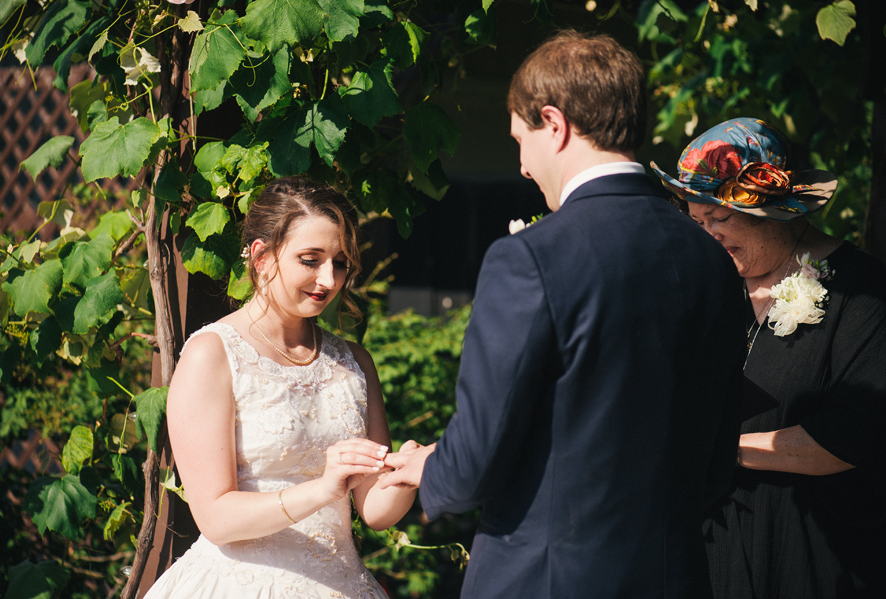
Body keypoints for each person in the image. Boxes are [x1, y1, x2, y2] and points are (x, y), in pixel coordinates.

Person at [380, 31, 746, 599]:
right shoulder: (712, 260)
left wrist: (431, 468)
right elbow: (717, 461)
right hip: (674, 575)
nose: (523, 167)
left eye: (519, 140)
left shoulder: (528, 258)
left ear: (554, 124)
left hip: (547, 580)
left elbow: (479, 453)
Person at [144, 177, 417, 598]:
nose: (328, 279)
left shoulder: (355, 363)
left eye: (340, 263)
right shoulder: (212, 355)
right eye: (311, 260)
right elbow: (215, 517)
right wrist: (323, 489)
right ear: (262, 257)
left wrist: (407, 475)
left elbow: (374, 511)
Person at [651, 117, 886, 598]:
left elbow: (854, 435)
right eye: (697, 222)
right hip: (713, 559)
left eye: (720, 218)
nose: (708, 235)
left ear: (774, 211)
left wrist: (717, 450)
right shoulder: (710, 289)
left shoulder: (862, 293)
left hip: (815, 561)